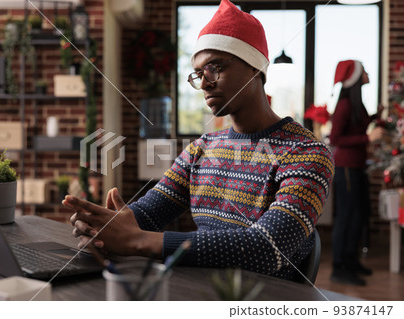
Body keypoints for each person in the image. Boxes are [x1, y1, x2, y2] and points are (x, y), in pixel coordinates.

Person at [63, 0, 334, 282]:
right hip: (197, 291)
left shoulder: (307, 153)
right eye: (198, 74)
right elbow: (148, 213)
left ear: (255, 68)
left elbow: (267, 249)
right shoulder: (200, 150)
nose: (204, 83)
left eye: (215, 68)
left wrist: (137, 241)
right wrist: (104, 228)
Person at [329, 59, 385, 286]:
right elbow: (335, 139)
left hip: (357, 167)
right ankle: (339, 267)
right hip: (347, 169)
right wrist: (367, 138)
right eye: (365, 71)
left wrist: (375, 117)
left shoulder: (355, 103)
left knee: (360, 215)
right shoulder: (344, 105)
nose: (368, 74)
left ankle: (351, 262)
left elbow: (357, 125)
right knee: (347, 217)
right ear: (355, 77)